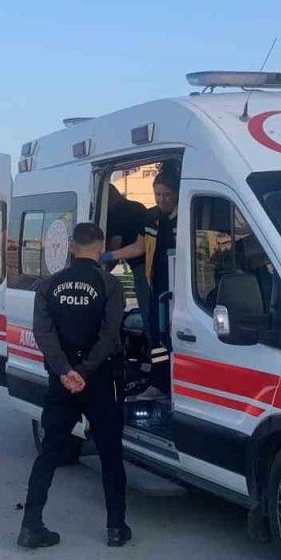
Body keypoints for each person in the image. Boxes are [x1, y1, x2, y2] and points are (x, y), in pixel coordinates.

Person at [18, 222, 131, 549]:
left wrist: (66, 371)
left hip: (61, 382)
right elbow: (110, 335)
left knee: (49, 452)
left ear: (71, 246)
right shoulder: (110, 284)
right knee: (110, 453)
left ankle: (31, 525)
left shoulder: (48, 285)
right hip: (99, 380)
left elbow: (43, 334)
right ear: (100, 249)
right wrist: (85, 370)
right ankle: (115, 528)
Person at [105, 164, 179, 396]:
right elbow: (140, 247)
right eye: (158, 194)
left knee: (178, 336)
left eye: (167, 195)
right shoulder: (151, 216)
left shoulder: (186, 214)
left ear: (177, 193)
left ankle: (176, 382)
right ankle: (159, 383)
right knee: (156, 334)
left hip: (182, 283)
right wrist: (107, 256)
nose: (162, 200)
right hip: (158, 283)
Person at [104, 183, 151, 339]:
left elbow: (115, 246)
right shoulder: (137, 206)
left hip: (142, 267)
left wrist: (101, 271)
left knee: (147, 312)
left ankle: (152, 345)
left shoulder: (116, 213)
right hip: (155, 264)